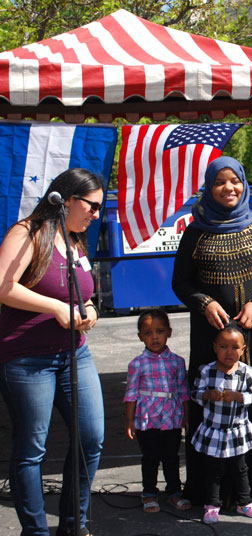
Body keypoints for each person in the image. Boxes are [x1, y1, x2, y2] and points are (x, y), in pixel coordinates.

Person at [172, 156, 252, 514]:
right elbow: (181, 282)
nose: (229, 188)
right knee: (214, 407)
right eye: (220, 182)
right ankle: (212, 492)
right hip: (212, 340)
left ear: (244, 184)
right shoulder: (195, 232)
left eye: (235, 181)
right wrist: (204, 302)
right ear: (209, 188)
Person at [0, 168, 105, 536]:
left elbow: (85, 294)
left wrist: (89, 309)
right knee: (32, 448)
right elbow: (3, 285)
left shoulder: (75, 241)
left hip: (74, 354)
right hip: (28, 358)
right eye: (92, 207)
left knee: (91, 439)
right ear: (66, 199)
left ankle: (74, 525)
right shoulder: (28, 232)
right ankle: (36, 531)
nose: (95, 215)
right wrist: (56, 308)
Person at [191, 323, 252, 524]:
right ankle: (212, 505)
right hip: (213, 431)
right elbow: (194, 395)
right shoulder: (207, 371)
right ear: (215, 347)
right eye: (223, 347)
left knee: (240, 468)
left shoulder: (247, 372)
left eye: (234, 347)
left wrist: (239, 397)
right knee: (213, 470)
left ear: (243, 349)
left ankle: (244, 502)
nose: (229, 352)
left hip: (237, 431)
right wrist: (208, 394)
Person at [124, 310, 191, 512]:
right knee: (150, 457)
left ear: (169, 333)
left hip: (171, 417)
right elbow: (131, 393)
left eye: (159, 331)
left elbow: (184, 391)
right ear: (140, 336)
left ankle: (173, 493)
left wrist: (186, 417)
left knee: (171, 456)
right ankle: (149, 494)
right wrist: (129, 420)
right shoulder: (137, 364)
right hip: (147, 419)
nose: (154, 337)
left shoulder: (177, 362)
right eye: (148, 332)